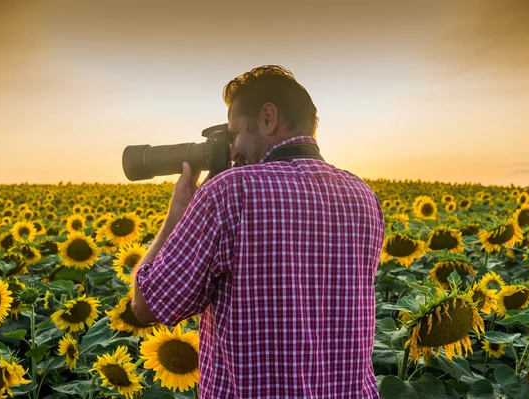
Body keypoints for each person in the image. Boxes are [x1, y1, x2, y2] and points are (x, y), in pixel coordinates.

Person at [131, 65, 385, 398]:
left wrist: (175, 218)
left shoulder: (230, 193)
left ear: (268, 118)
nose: (233, 150)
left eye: (235, 133)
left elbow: (148, 305)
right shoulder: (363, 196)